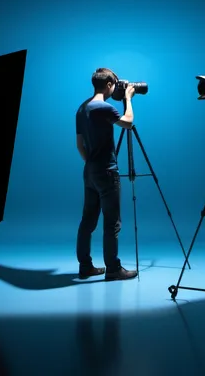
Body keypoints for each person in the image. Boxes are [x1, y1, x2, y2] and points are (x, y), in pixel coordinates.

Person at [75, 68, 138, 281]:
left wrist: (92, 164)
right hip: (107, 171)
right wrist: (128, 98)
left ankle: (85, 267)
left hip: (89, 170)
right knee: (112, 222)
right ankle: (113, 269)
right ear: (110, 84)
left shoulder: (82, 108)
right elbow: (128, 123)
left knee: (88, 220)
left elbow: (79, 144)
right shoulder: (104, 107)